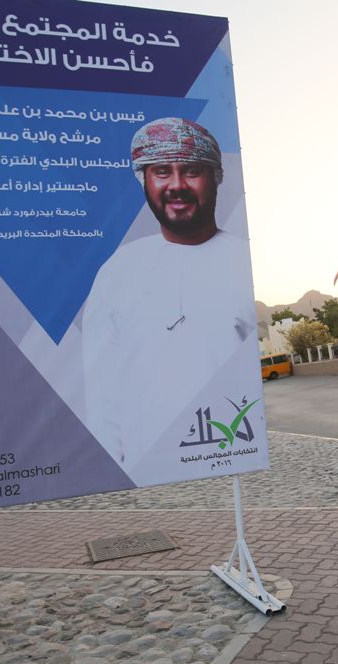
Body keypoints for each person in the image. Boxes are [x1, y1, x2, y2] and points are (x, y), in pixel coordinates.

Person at [81, 117, 255, 478]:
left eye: (191, 171)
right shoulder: (117, 271)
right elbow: (101, 394)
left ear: (216, 177)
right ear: (143, 180)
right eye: (161, 172)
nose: (176, 185)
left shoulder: (244, 261)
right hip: (147, 474)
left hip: (230, 457)